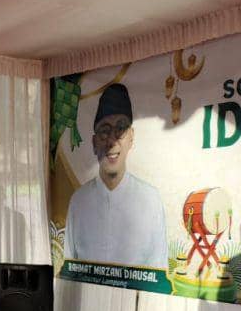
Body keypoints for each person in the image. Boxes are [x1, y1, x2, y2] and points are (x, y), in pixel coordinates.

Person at [64, 83, 168, 269]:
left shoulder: (150, 199)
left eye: (120, 129)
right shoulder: (79, 201)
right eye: (104, 131)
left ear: (131, 137)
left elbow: (158, 269)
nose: (112, 141)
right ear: (94, 142)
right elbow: (70, 266)